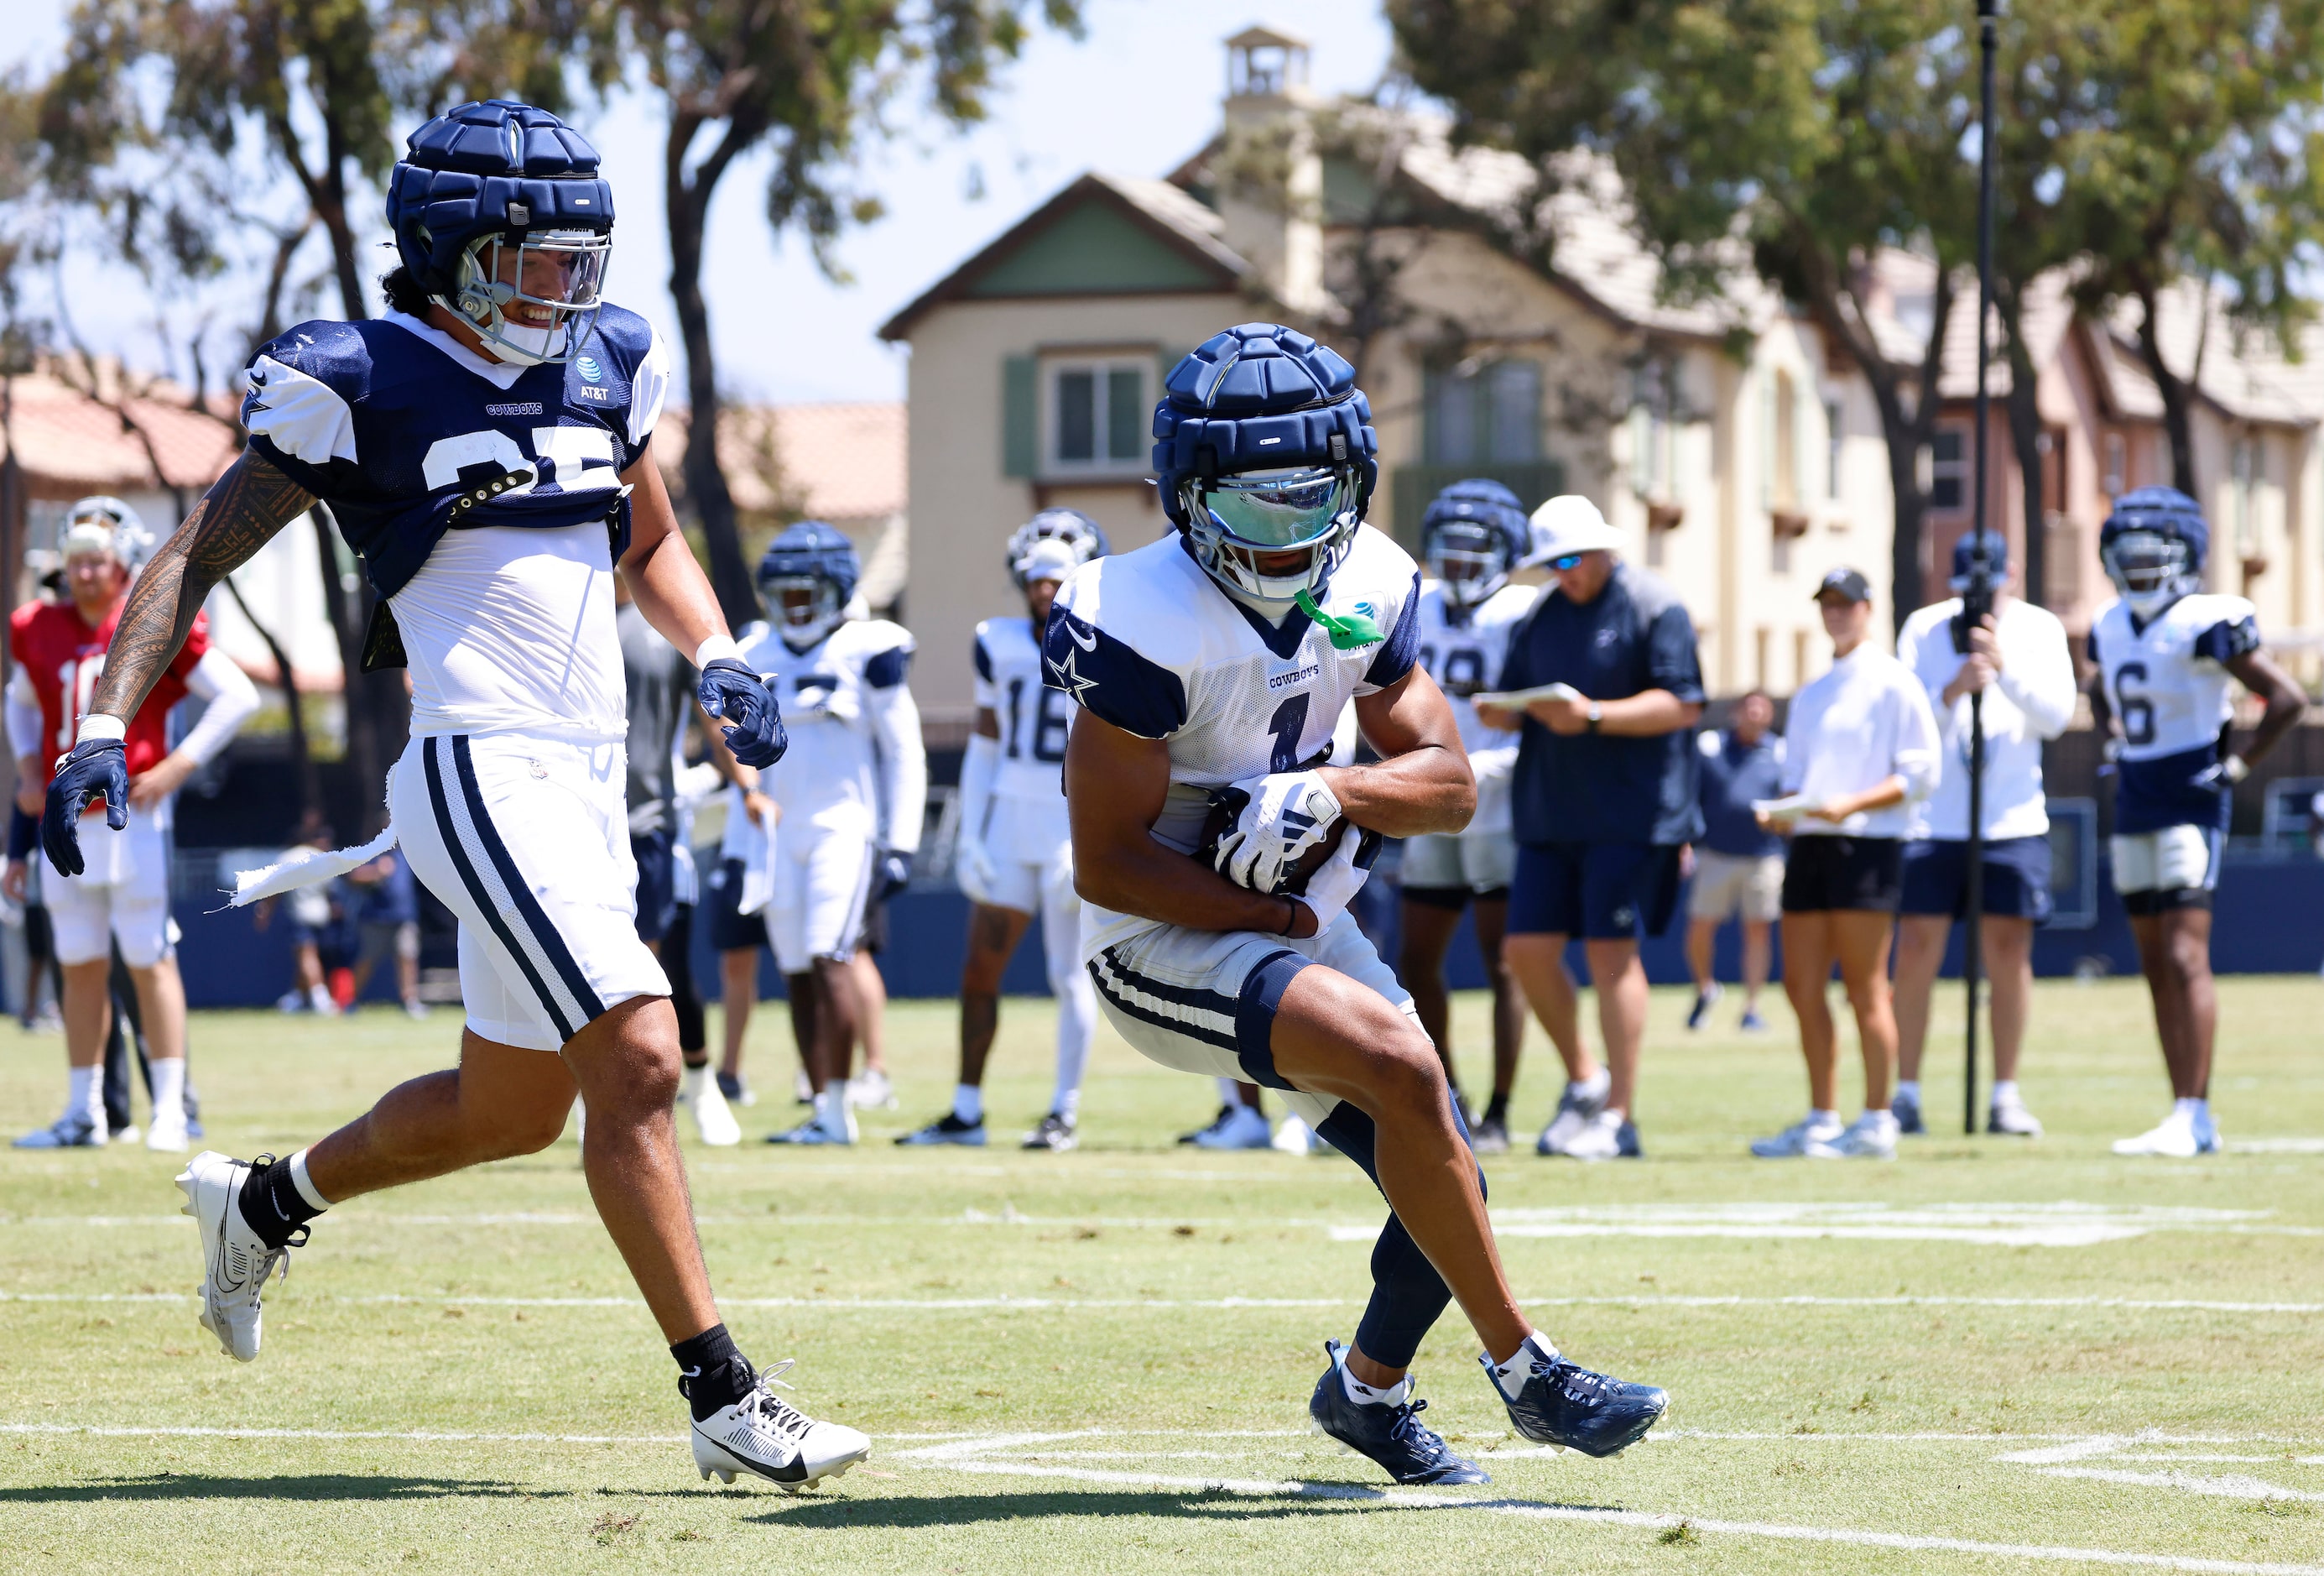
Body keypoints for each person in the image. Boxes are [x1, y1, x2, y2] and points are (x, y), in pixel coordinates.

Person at [39, 101, 865, 1490]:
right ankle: (723, 1389)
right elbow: (192, 552)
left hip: (596, 772)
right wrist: (101, 720)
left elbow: (646, 535)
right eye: (536, 260)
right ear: (449, 251)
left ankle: (259, 1199)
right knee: (648, 1054)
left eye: (579, 257)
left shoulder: (607, 361)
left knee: (511, 1110)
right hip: (479, 760)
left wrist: (718, 652)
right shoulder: (365, 377)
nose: (570, 288)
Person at [1053, 322, 1667, 1487]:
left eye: (1309, 501)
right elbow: (1109, 865)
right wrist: (1285, 916)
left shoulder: (1361, 587)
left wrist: (1329, 786)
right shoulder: (1138, 613)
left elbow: (1444, 783)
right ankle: (1528, 1369)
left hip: (1293, 916)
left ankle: (1367, 1393)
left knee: (1447, 1173)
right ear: (1187, 495)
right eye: (1253, 504)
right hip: (1159, 937)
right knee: (1399, 1060)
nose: (1287, 537)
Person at [8, 496, 258, 1151]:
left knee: (149, 956)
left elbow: (238, 695)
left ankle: (171, 1110)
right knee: (78, 962)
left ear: (123, 561)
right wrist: (28, 774)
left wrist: (179, 765)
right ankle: (82, 1109)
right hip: (65, 818)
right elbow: (22, 705)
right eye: (78, 561)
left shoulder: (148, 618)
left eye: (99, 560)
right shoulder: (36, 623)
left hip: (129, 815)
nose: (88, 573)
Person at [1476, 496, 1704, 1161]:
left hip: (1630, 816)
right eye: (1550, 565)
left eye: (1570, 560)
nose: (1562, 574)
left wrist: (1596, 716)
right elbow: (1518, 694)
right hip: (1549, 812)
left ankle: (1620, 1117)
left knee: (1611, 956)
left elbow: (1683, 703)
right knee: (1525, 952)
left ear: (1605, 549)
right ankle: (1585, 1078)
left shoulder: (1654, 604)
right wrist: (1505, 713)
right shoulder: (1542, 613)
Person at [2087, 488, 2304, 1156]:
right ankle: (2180, 1111)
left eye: (2153, 557)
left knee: (2185, 956)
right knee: (2153, 961)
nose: (2140, 569)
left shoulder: (2210, 618)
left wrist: (2237, 768)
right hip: (2135, 798)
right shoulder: (2110, 622)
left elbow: (2287, 698)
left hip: (2189, 799)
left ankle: (2196, 1111)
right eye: (2130, 557)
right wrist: (2112, 738)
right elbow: (2100, 686)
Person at [900, 509, 1107, 1151]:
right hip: (1013, 816)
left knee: (1069, 974)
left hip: (1073, 817)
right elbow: (988, 743)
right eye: (1035, 579)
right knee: (979, 968)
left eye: (1056, 578)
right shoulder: (996, 640)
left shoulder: (1113, 634)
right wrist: (970, 832)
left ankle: (1063, 1111)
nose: (1043, 590)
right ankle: (967, 1110)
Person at [716, 523, 923, 1147]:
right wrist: (735, 847)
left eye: (807, 594)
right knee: (798, 969)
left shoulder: (870, 648)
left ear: (836, 591)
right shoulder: (756, 651)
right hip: (779, 836)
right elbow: (740, 759)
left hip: (844, 827)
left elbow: (905, 752)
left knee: (834, 958)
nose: (796, 607)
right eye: (787, 595)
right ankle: (821, 1107)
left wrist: (901, 841)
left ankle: (838, 1109)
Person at [1891, 533, 2076, 1138]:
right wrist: (1951, 691)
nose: (1979, 597)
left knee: (2007, 953)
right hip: (1935, 821)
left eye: (1992, 585)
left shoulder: (2039, 628)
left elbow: (2056, 716)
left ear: (2013, 575)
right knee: (1917, 948)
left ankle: (2005, 1093)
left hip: (2012, 820)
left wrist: (2004, 669)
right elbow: (1907, 719)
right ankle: (1907, 1091)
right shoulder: (1924, 628)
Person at [1750, 568, 1939, 1161]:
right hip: (1810, 845)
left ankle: (1879, 1118)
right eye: (1828, 603)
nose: (1836, 613)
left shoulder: (1895, 683)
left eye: (1846, 603)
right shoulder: (1812, 693)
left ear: (1867, 608)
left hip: (1868, 847)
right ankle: (1822, 1118)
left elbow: (1919, 773)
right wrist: (1784, 812)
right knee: (1802, 985)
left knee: (1865, 988)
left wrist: (1850, 806)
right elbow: (1796, 778)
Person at [1398, 480, 1535, 1153]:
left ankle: (1502, 1110)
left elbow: (1536, 710)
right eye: (1447, 551)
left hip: (1499, 804)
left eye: (1471, 551)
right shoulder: (1416, 601)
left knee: (1503, 959)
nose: (1456, 564)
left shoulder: (1524, 613)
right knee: (1415, 958)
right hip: (1433, 804)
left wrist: (1489, 768)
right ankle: (1449, 1093)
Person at [615, 568, 737, 1145]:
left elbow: (715, 720)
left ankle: (699, 1083)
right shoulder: (558, 624)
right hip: (575, 824)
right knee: (593, 969)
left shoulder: (654, 631)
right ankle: (605, 1090)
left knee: (659, 966)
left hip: (650, 824)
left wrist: (748, 785)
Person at [1683, 690, 1784, 1033]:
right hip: (1716, 853)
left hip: (1764, 856)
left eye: (1762, 710)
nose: (1755, 715)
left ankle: (1752, 1007)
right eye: (1749, 708)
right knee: (1700, 928)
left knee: (1758, 932)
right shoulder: (1710, 747)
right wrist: (1685, 841)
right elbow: (1690, 796)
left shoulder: (1779, 753)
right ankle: (1705, 989)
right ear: (1736, 712)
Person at [345, 848, 427, 1019]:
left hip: (404, 917)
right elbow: (352, 876)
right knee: (366, 960)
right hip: (375, 919)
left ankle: (410, 1002)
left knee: (407, 957)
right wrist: (376, 872)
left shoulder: (408, 853)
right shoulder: (369, 850)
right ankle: (350, 1001)